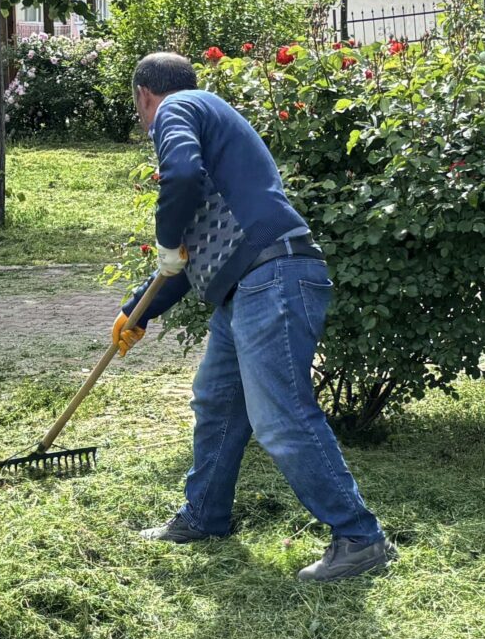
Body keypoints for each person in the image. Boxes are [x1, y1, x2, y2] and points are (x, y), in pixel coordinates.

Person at [112, 52, 396, 584]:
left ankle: (360, 538)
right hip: (248, 284)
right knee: (217, 401)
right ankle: (204, 516)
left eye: (138, 109)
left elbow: (179, 177)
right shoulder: (207, 120)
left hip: (272, 277)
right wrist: (137, 312)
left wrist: (166, 239)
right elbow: (188, 257)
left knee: (279, 415)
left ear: (144, 96)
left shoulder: (177, 109)